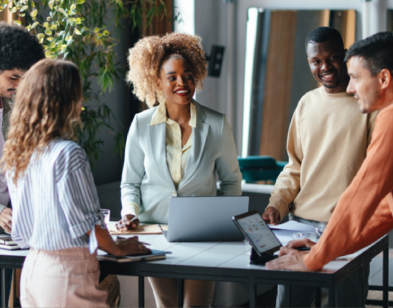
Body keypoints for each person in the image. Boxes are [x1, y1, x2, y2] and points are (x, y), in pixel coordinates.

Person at [2, 59, 150, 308]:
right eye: (77, 94)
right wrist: (117, 248)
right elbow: (89, 225)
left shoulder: (18, 153)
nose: (81, 102)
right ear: (65, 101)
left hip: (32, 270)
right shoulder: (68, 154)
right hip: (65, 274)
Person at [119, 32, 242, 308]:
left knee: (196, 306)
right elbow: (130, 184)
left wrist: (222, 224)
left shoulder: (217, 124)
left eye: (187, 75)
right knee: (167, 305)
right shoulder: (140, 125)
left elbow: (231, 182)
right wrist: (130, 213)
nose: (181, 83)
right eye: (171, 77)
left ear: (196, 77)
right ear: (158, 82)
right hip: (154, 233)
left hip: (203, 235)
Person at [266, 32, 393, 296]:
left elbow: (364, 194)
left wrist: (316, 256)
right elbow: (385, 211)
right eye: (316, 61)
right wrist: (326, 249)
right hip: (311, 225)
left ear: (383, 78)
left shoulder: (387, 118)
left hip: (338, 224)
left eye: (356, 78)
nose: (350, 87)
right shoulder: (307, 104)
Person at [0, 22, 45, 307]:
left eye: (25, 78)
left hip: (7, 237)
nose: (19, 86)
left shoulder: (15, 108)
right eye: (14, 77)